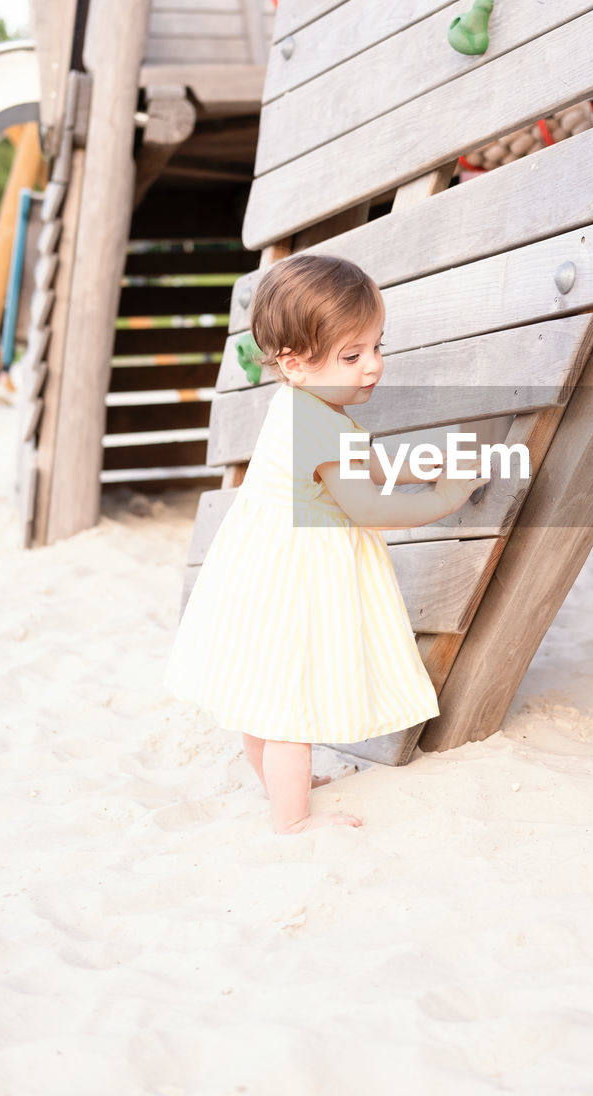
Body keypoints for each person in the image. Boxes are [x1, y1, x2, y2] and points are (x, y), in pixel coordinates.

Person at [164, 253, 488, 834]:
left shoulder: (301, 404)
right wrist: (444, 500)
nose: (373, 367)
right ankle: (293, 823)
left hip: (262, 566)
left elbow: (358, 465)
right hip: (299, 574)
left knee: (264, 690)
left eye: (376, 347)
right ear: (293, 362)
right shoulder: (319, 420)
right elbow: (365, 505)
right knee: (292, 703)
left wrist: (420, 466)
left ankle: (280, 788)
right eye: (353, 355)